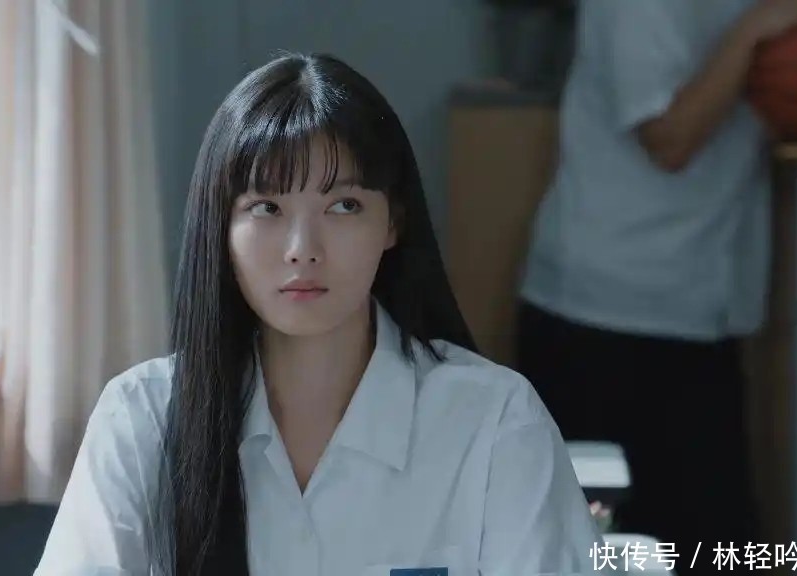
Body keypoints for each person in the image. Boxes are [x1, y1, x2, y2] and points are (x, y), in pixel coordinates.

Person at [35, 53, 604, 576]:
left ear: (393, 222)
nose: (302, 249)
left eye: (344, 206)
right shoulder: (141, 419)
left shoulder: (496, 421)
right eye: (267, 207)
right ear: (220, 227)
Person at [516, 0, 797, 572]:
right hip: (602, 316)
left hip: (699, 313)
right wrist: (754, 31)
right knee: (603, 555)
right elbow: (669, 139)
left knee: (726, 553)